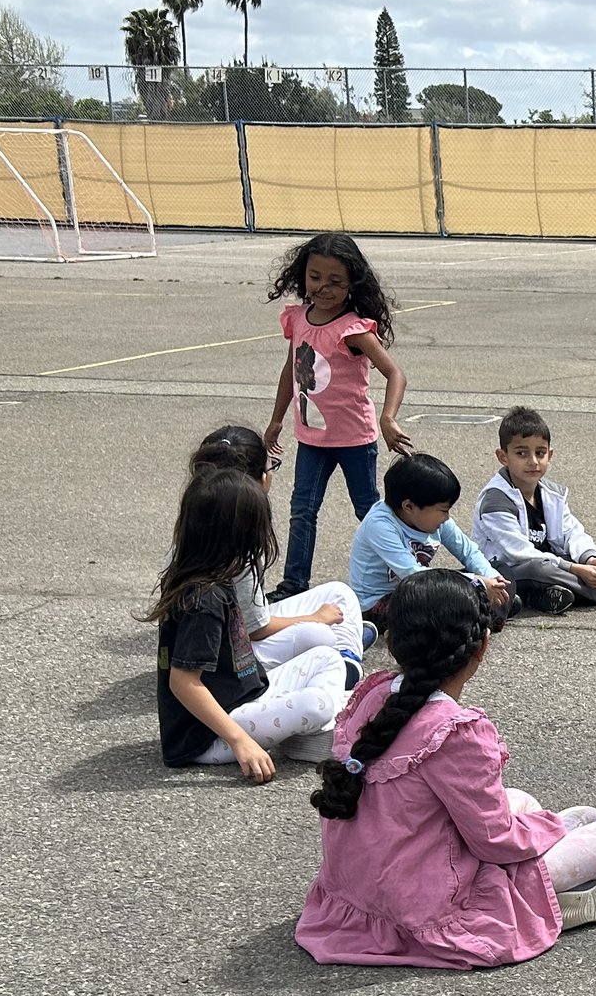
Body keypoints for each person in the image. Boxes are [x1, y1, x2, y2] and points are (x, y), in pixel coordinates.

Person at [297, 571, 596, 967]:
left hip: (358, 893)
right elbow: (494, 841)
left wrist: (541, 825)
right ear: (482, 645)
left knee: (522, 801)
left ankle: (546, 889)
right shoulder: (455, 732)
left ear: (392, 641)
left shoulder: (373, 693)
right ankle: (533, 904)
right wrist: (549, 827)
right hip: (425, 908)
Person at [150, 467, 349, 781]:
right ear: (239, 535)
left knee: (327, 658)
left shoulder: (215, 575)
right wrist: (240, 741)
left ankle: (311, 730)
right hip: (208, 737)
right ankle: (314, 733)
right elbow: (183, 682)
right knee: (317, 704)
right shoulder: (204, 599)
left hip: (248, 697)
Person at [263, 233, 413, 601]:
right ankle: (293, 584)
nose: (323, 288)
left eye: (335, 281)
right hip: (312, 439)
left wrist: (388, 418)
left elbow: (395, 374)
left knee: (369, 510)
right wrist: (277, 419)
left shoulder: (353, 329)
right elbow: (291, 370)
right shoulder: (298, 318)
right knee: (302, 510)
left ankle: (402, 576)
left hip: (353, 440)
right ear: (303, 275)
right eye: (315, 277)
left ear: (352, 285)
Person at [187, 425, 372, 678]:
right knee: (319, 634)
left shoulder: (195, 515)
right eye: (270, 466)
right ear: (261, 479)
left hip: (228, 633)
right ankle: (345, 659)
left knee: (339, 593)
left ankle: (347, 644)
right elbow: (256, 629)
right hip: (234, 652)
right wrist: (315, 618)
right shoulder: (239, 538)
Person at [473, 406, 596, 614]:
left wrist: (589, 559)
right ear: (503, 457)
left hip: (552, 564)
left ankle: (548, 594)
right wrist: (576, 569)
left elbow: (572, 532)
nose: (533, 461)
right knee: (537, 568)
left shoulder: (552, 493)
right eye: (521, 453)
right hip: (511, 569)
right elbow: (518, 553)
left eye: (540, 453)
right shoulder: (495, 500)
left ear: (549, 455)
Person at [347, 452, 513, 629]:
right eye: (443, 510)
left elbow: (468, 552)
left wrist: (491, 578)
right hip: (380, 604)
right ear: (408, 506)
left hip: (421, 589)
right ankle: (488, 612)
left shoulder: (437, 519)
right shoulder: (379, 525)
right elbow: (414, 575)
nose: (447, 517)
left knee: (501, 570)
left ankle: (485, 611)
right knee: (437, 606)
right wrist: (477, 584)